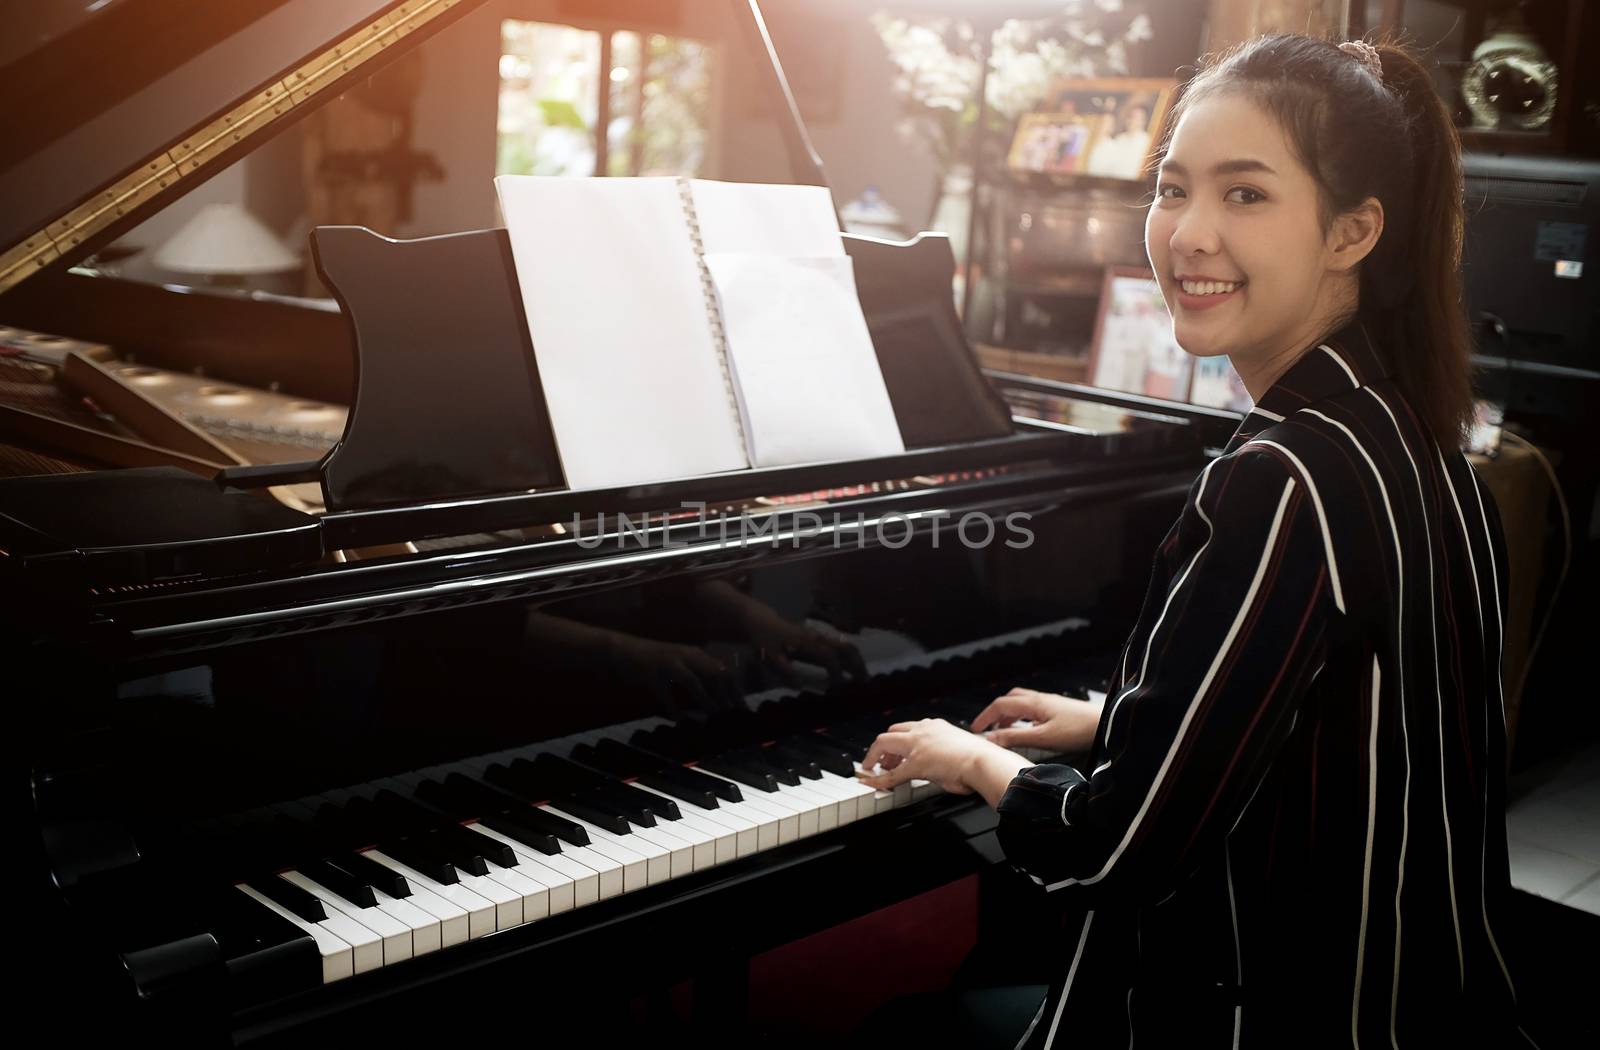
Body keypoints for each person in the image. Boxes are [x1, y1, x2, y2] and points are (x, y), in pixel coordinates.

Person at [858, 34, 1538, 1048]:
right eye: (1172, 190)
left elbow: (1115, 855)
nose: (1188, 233)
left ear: (1353, 232)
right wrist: (1113, 724)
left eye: (1245, 195)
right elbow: (1357, 730)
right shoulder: (1417, 441)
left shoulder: (1280, 478)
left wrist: (970, 760)